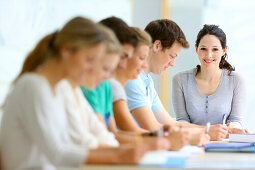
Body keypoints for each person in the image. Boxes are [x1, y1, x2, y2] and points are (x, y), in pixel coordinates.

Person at [0, 17, 152, 170]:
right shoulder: (33, 86)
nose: (92, 69)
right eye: (89, 60)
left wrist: (126, 151)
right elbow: (57, 153)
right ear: (66, 50)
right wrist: (119, 155)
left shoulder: (60, 88)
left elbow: (76, 142)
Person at [124, 19, 214, 141]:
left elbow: (171, 123)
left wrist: (209, 130)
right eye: (172, 56)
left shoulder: (147, 81)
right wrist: (199, 135)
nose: (172, 63)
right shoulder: (133, 78)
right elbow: (152, 127)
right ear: (157, 46)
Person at [172, 24, 247, 135]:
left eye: (215, 49)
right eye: (203, 49)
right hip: (192, 143)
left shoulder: (236, 80)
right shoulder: (180, 80)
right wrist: (207, 132)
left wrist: (232, 127)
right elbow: (182, 121)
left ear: (224, 50)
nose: (209, 55)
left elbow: (236, 120)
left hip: (223, 144)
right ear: (196, 49)